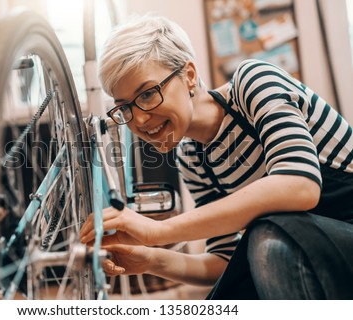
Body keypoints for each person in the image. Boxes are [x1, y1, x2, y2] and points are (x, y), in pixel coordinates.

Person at [79, 14, 353, 299]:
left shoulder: (254, 82)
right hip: (313, 251)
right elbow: (225, 260)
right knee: (257, 251)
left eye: (147, 94)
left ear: (189, 76)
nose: (139, 120)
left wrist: (158, 231)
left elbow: (299, 185)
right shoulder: (192, 158)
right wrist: (150, 260)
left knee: (268, 239)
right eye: (124, 107)